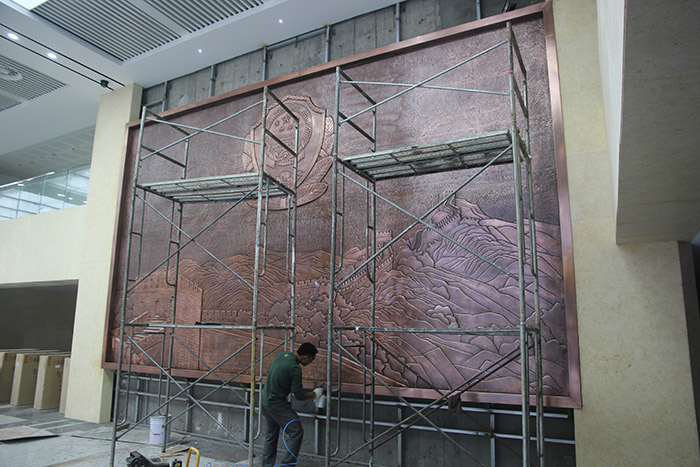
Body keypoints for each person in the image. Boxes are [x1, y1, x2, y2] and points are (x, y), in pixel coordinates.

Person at [261, 342, 321, 467]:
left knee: (271, 435)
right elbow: (300, 396)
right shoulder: (295, 368)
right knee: (296, 431)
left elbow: (271, 371)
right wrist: (316, 393)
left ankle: (267, 465)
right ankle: (287, 464)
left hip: (265, 401)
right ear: (305, 357)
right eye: (311, 359)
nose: (310, 362)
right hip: (277, 404)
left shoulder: (281, 355)